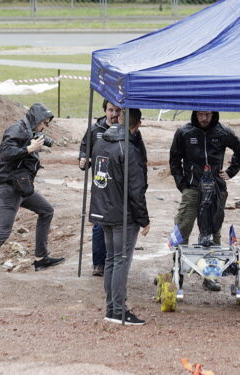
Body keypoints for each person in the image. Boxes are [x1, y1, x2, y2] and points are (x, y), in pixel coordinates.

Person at [0, 103, 65, 271]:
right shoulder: (17, 129)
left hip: (21, 187)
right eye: (44, 123)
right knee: (3, 231)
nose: (44, 127)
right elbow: (5, 153)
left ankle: (41, 258)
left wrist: (32, 147)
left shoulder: (29, 130)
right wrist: (29, 149)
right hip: (8, 187)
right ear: (36, 119)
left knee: (47, 210)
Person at [169, 111, 240, 291]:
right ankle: (177, 274)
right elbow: (174, 159)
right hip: (192, 188)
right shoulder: (184, 132)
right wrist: (182, 183)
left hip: (216, 188)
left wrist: (230, 172)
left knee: (213, 232)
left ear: (214, 114)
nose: (204, 119)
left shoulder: (223, 132)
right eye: (200, 115)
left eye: (207, 115)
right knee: (183, 227)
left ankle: (211, 276)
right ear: (195, 114)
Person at [89, 108, 150, 326]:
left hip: (104, 209)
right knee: (121, 261)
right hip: (123, 214)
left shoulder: (101, 141)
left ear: (119, 119)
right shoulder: (128, 148)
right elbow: (136, 189)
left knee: (112, 260)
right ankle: (118, 310)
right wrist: (144, 218)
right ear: (137, 125)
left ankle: (111, 308)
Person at [79, 99, 121, 277]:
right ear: (105, 111)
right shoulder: (95, 129)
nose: (114, 114)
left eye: (117, 110)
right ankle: (99, 264)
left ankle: (116, 262)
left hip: (119, 185)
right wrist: (82, 159)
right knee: (98, 225)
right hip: (100, 184)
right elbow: (84, 147)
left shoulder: (125, 130)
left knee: (117, 226)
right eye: (111, 110)